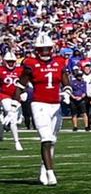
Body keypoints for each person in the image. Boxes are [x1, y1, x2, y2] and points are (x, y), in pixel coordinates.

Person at [17, 34, 68, 185]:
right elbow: (20, 84)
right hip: (39, 104)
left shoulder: (59, 61)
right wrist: (16, 102)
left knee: (52, 141)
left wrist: (67, 92)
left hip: (55, 105)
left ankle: (44, 168)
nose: (45, 52)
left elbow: (66, 81)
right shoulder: (31, 63)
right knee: (46, 138)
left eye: (47, 49)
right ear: (37, 50)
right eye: (42, 49)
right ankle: (51, 174)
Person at [0, 51, 24, 151]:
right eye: (9, 62)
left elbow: (26, 82)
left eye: (12, 61)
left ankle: (5, 122)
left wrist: (24, 92)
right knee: (10, 112)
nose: (10, 63)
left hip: (16, 96)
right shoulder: (0, 70)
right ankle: (17, 142)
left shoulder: (20, 70)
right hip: (4, 95)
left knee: (15, 120)